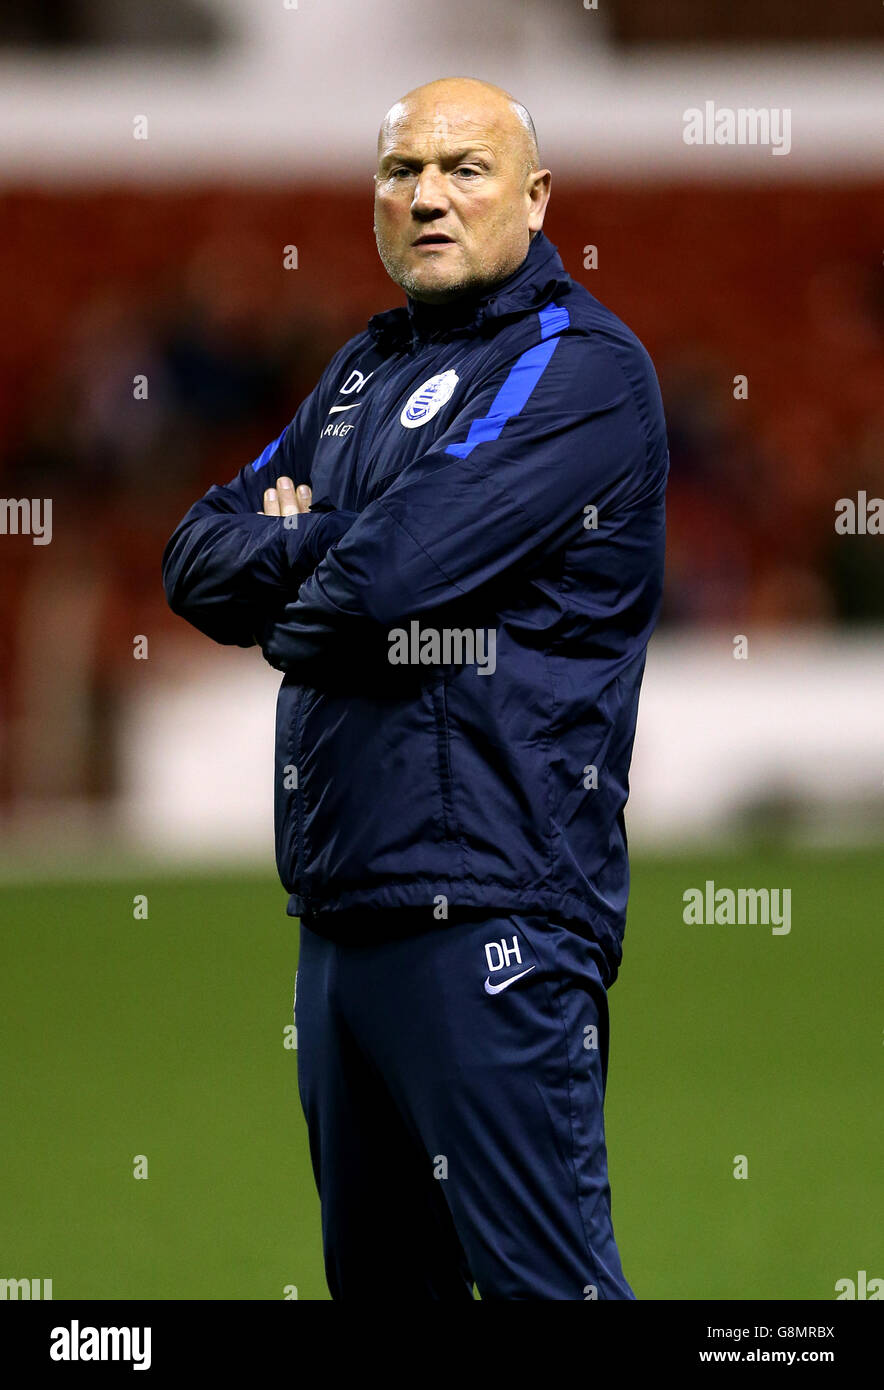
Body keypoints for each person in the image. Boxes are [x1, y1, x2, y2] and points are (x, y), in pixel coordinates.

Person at [162, 76, 669, 1301]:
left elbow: (372, 589)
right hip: (339, 924)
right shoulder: (358, 372)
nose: (427, 196)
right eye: (401, 172)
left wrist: (311, 546)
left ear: (536, 198)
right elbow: (191, 555)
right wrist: (335, 545)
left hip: (492, 914)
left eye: (464, 168)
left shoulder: (582, 370)